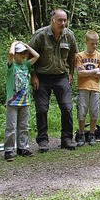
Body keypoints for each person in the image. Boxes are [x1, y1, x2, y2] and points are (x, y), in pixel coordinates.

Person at [28, 9, 79, 152]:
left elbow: (73, 55)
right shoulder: (40, 35)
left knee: (67, 107)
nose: (63, 23)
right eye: (59, 20)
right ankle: (43, 141)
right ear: (52, 20)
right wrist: (33, 76)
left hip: (61, 76)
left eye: (64, 20)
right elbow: (27, 56)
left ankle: (67, 139)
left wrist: (71, 73)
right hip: (41, 77)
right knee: (42, 109)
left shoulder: (69, 35)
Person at [4, 41, 39, 161]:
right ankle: (9, 150)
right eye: (20, 53)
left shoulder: (26, 65)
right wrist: (14, 43)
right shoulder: (11, 66)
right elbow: (10, 54)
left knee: (24, 126)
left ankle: (22, 147)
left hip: (25, 101)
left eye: (24, 53)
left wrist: (26, 46)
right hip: (13, 102)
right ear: (15, 54)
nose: (23, 55)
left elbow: (37, 56)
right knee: (11, 126)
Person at [74, 30, 100, 146]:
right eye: (92, 43)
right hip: (83, 88)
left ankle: (92, 134)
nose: (95, 46)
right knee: (82, 112)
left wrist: (87, 71)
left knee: (94, 111)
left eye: (96, 43)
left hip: (95, 88)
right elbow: (80, 73)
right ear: (86, 42)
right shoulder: (79, 56)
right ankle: (81, 134)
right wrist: (94, 71)